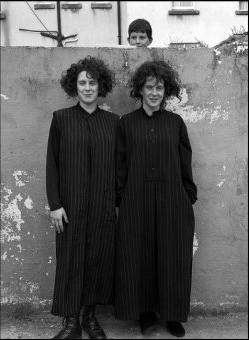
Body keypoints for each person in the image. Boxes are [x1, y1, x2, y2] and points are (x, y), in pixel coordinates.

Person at [115, 60, 197, 338]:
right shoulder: (127, 123)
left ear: (166, 90)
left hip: (172, 199)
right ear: (140, 89)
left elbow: (185, 161)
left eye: (159, 87)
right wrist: (122, 199)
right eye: (149, 87)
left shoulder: (175, 123)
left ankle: (172, 315)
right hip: (136, 200)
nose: (154, 92)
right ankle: (146, 314)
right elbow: (120, 165)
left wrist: (187, 196)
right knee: (141, 256)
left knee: (173, 256)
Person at [46, 56, 119, 339]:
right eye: (82, 83)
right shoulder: (61, 119)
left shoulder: (113, 123)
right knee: (70, 261)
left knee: (97, 260)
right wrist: (55, 205)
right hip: (70, 207)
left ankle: (90, 318)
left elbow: (120, 167)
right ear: (74, 87)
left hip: (102, 206)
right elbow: (52, 164)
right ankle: (70, 322)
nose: (88, 88)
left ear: (101, 87)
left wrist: (116, 203)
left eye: (93, 82)